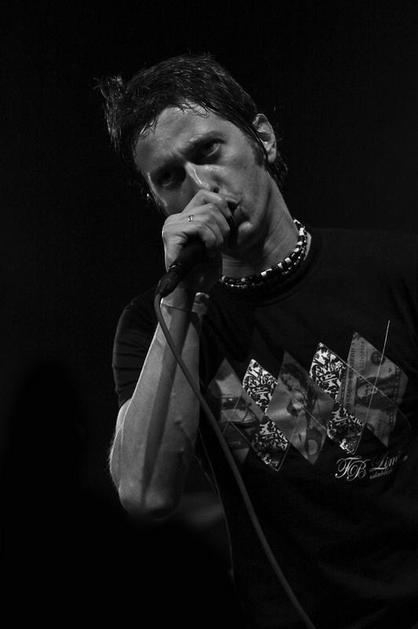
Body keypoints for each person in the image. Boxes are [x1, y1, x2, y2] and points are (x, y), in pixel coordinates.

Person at [99, 53, 418, 628]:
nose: (199, 186)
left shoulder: (396, 272)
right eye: (169, 177)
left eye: (208, 151)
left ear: (262, 139)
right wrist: (183, 297)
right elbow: (146, 494)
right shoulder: (155, 324)